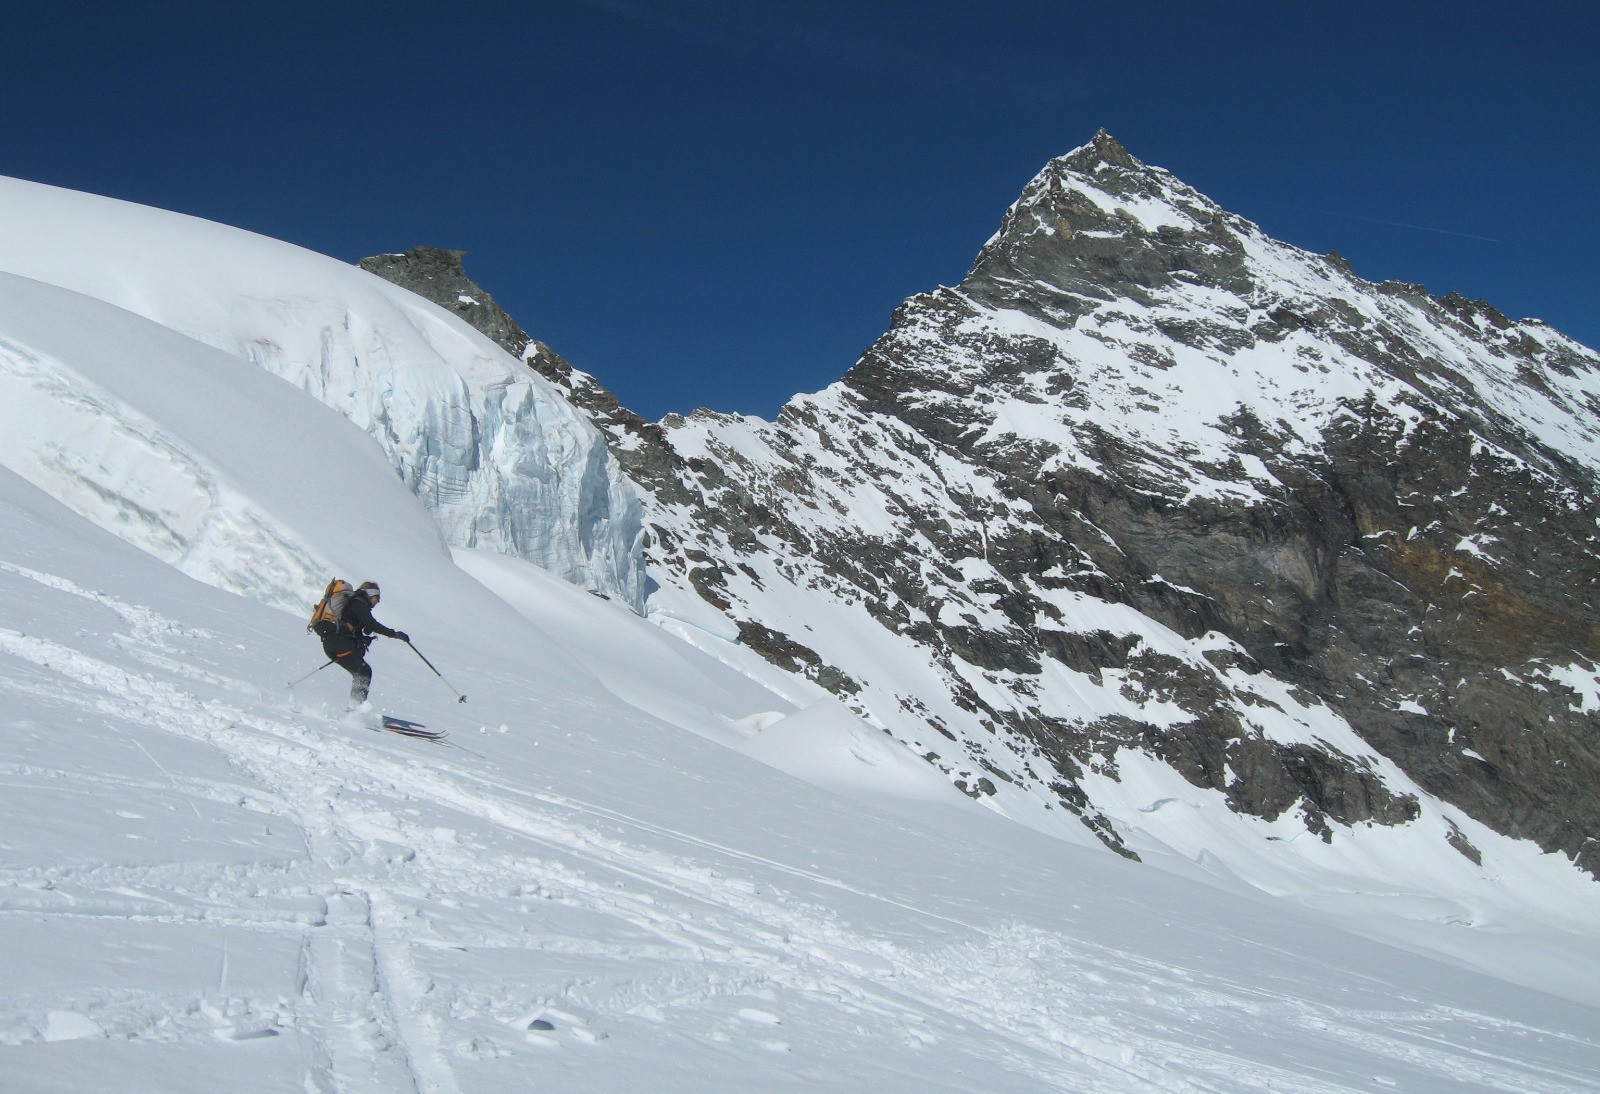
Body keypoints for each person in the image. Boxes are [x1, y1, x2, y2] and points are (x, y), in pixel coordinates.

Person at [320, 581, 409, 706]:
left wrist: (362, 639)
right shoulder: (358, 603)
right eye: (377, 598)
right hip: (337, 642)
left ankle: (354, 707)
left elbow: (353, 627)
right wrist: (394, 634)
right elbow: (372, 624)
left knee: (361, 672)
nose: (378, 601)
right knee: (364, 672)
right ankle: (355, 709)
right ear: (371, 595)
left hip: (333, 643)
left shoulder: (356, 604)